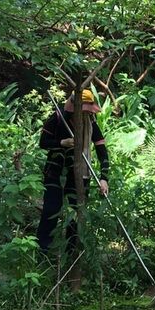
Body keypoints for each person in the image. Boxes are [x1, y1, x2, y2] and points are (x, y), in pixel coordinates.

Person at [35, 89, 110, 258]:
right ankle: (42, 254)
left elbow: (102, 151)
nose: (84, 114)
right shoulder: (58, 118)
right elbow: (43, 143)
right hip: (56, 173)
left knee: (76, 216)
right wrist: (62, 142)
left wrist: (104, 178)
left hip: (80, 176)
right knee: (50, 211)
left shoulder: (91, 122)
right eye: (82, 110)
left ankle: (72, 255)